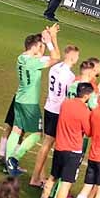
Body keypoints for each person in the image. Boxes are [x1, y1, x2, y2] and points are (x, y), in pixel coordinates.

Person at [32, 81, 93, 198]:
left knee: (52, 178)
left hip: (59, 147)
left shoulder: (65, 104)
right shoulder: (84, 110)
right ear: (87, 95)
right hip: (73, 150)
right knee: (66, 183)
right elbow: (89, 132)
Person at [5, 26, 61, 177]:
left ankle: (8, 164)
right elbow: (56, 58)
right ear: (35, 47)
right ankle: (14, 158)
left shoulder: (21, 58)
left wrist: (44, 40)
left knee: (17, 129)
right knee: (37, 134)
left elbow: (39, 57)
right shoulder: (34, 62)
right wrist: (49, 42)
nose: (41, 49)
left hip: (19, 99)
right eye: (40, 46)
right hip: (30, 102)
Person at [27, 44, 79, 188]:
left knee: (46, 144)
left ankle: (40, 176)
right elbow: (67, 95)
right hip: (58, 111)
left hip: (49, 106)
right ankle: (35, 178)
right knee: (48, 144)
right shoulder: (70, 76)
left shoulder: (54, 68)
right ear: (72, 56)